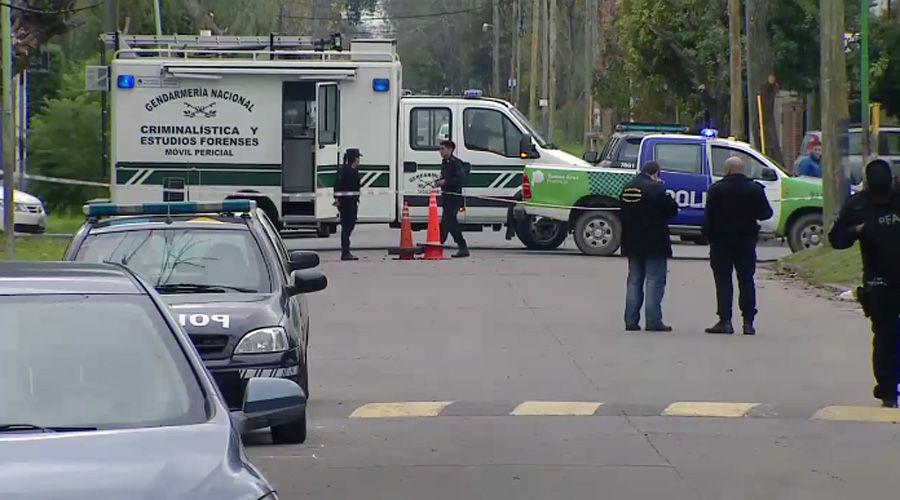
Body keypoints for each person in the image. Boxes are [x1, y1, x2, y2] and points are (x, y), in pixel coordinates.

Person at [828, 159, 900, 408]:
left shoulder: (860, 204)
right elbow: (837, 239)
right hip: (879, 280)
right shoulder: (857, 205)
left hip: (879, 281)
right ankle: (889, 389)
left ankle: (889, 390)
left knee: (885, 337)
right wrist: (856, 230)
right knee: (885, 336)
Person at [702, 156, 774, 335]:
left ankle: (725, 321)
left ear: (726, 170)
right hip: (746, 241)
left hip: (721, 242)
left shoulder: (716, 190)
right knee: (747, 281)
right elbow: (766, 213)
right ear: (742, 170)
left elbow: (708, 219)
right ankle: (748, 322)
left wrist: (709, 236)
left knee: (723, 282)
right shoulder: (755, 189)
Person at [619, 161, 680, 332]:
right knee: (654, 281)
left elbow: (622, 211)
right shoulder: (656, 189)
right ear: (656, 173)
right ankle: (653, 321)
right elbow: (671, 210)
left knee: (634, 280)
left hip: (632, 241)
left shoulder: (627, 187)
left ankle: (630, 321)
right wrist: (663, 192)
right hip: (654, 242)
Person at [436, 140, 469, 258]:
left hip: (454, 197)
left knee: (451, 222)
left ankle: (462, 246)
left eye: (442, 149)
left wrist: (446, 182)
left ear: (450, 150)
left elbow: (461, 180)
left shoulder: (455, 163)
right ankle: (437, 244)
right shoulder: (445, 162)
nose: (440, 151)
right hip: (446, 196)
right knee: (445, 223)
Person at [335, 148, 362, 261]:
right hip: (348, 202)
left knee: (348, 225)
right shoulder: (349, 171)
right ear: (355, 158)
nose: (359, 159)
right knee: (348, 225)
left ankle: (346, 250)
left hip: (347, 201)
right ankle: (345, 252)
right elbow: (340, 186)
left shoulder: (344, 170)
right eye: (358, 157)